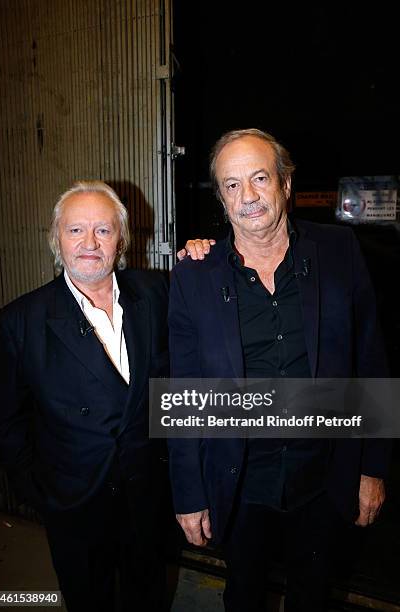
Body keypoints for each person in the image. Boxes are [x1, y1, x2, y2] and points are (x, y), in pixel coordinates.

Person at [168, 129, 391, 612]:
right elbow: (183, 391)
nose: (246, 197)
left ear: (285, 184)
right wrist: (189, 494)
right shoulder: (195, 274)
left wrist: (373, 467)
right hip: (240, 480)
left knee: (313, 595)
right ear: (221, 198)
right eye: (230, 185)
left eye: (259, 178)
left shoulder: (339, 251)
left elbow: (371, 361)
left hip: (325, 476)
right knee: (243, 594)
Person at [0, 181, 169, 612]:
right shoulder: (22, 321)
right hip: (75, 505)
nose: (89, 243)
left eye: (103, 231)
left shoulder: (158, 294)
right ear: (56, 240)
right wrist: (40, 492)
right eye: (75, 231)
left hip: (149, 498)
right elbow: (5, 419)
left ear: (121, 240)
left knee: (147, 599)